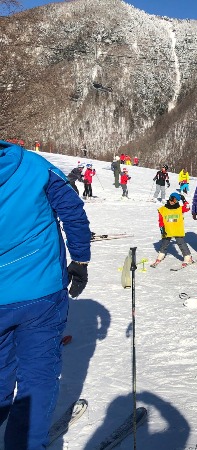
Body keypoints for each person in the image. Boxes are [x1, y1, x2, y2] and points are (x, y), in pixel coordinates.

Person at [0, 140, 91, 449]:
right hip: (40, 293)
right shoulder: (31, 164)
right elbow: (72, 210)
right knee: (37, 379)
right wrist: (79, 261)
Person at [150, 193, 194, 269]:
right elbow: (160, 220)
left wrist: (184, 200)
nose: (172, 201)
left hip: (177, 229)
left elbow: (187, 207)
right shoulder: (163, 209)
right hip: (167, 230)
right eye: (171, 199)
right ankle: (161, 255)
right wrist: (162, 228)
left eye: (174, 200)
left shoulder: (180, 208)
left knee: (181, 243)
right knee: (165, 243)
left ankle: (187, 257)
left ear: (177, 201)